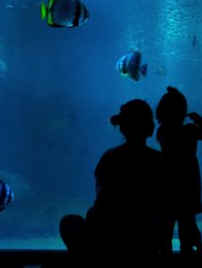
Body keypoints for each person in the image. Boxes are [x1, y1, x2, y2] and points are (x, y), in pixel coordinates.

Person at [60, 99, 168, 256]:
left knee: (69, 222)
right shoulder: (159, 160)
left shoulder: (110, 157)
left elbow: (101, 201)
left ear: (122, 127)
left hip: (109, 240)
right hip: (145, 242)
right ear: (150, 127)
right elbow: (163, 205)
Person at [155, 86, 202, 254]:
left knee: (166, 221)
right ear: (183, 111)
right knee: (187, 220)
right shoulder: (190, 130)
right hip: (188, 180)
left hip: (168, 179)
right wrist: (199, 120)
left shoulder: (162, 130)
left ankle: (165, 251)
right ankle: (191, 251)